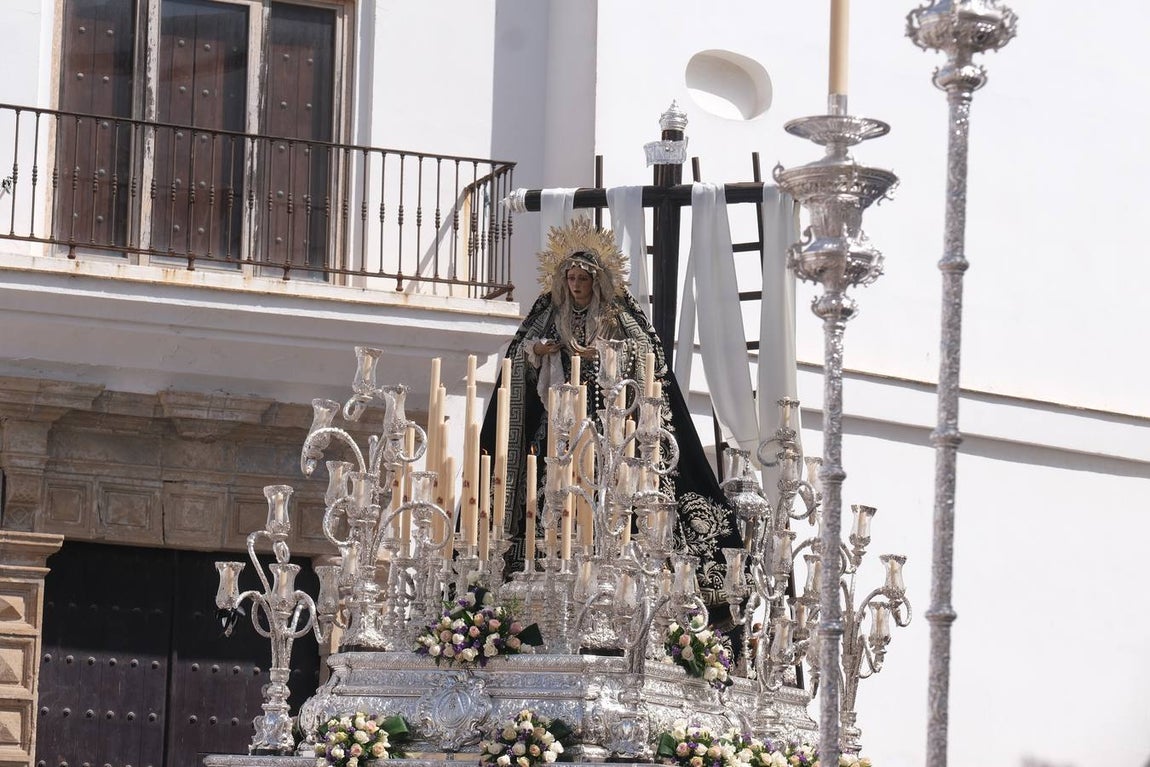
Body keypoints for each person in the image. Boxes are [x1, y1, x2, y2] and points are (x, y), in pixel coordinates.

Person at [481, 218, 743, 614]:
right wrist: (539, 350)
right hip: (559, 428)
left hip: (608, 429)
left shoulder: (616, 314)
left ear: (596, 281)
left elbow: (647, 355)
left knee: (614, 493)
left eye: (582, 279)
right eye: (570, 278)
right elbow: (517, 354)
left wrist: (607, 353)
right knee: (548, 489)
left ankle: (621, 564)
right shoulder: (549, 313)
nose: (575, 285)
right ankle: (539, 560)